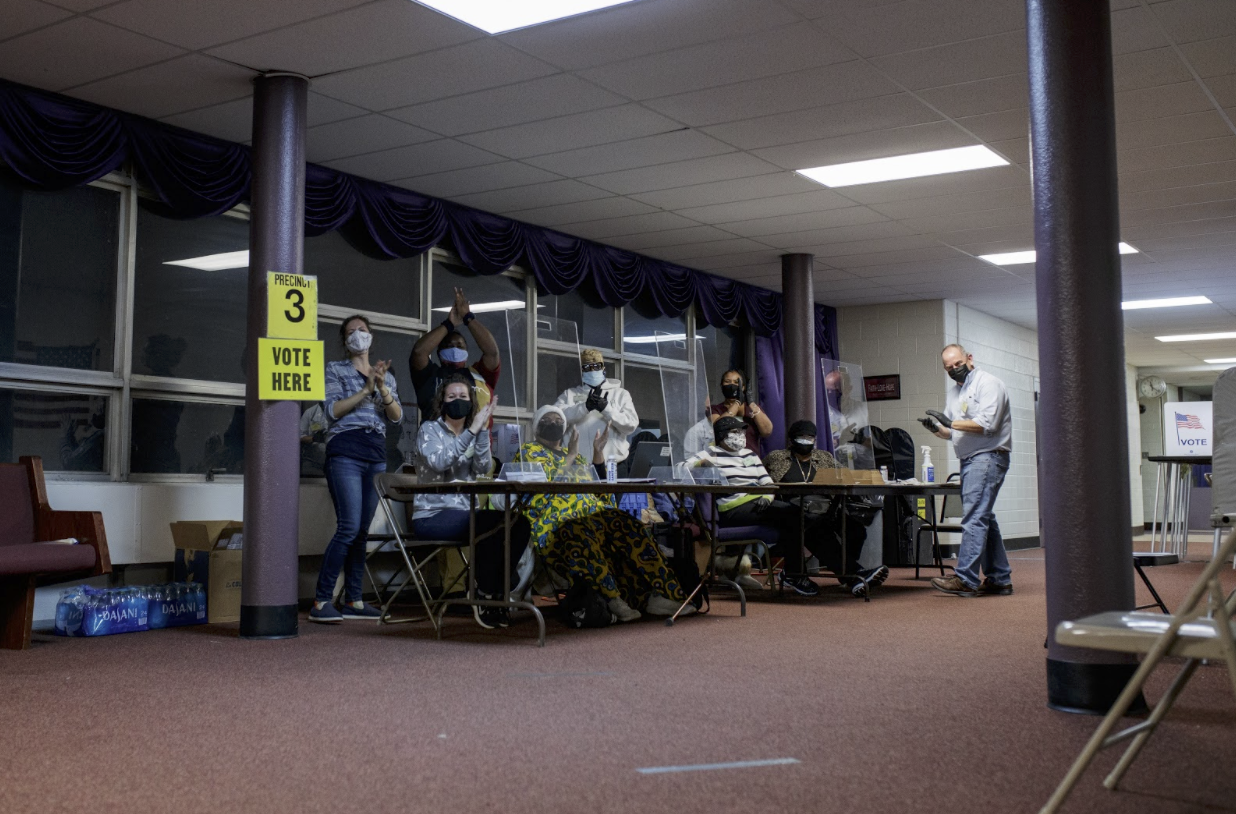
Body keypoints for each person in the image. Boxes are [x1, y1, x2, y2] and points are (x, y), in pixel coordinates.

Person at [513, 405, 687, 621]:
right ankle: (613, 600)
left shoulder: (577, 459)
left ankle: (661, 595)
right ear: (537, 427)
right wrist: (571, 456)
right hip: (557, 523)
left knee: (628, 523)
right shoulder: (529, 452)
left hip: (595, 517)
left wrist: (597, 455)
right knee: (582, 532)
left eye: (557, 420)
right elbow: (540, 490)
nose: (553, 423)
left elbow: (603, 497)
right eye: (546, 420)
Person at [413, 375, 530, 629]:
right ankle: (485, 592)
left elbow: (482, 468)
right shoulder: (429, 430)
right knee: (487, 524)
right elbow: (439, 462)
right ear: (441, 402)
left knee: (520, 523)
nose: (457, 401)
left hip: (467, 513)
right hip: (433, 515)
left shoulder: (475, 430)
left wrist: (482, 431)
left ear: (471, 402)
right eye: (451, 397)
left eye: (463, 397)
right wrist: (471, 431)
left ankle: (496, 589)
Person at [309, 315, 403, 624]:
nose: (357, 336)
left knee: (362, 530)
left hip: (375, 453)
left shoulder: (385, 376)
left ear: (371, 337)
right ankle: (321, 601)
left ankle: (355, 600)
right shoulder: (334, 370)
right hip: (345, 452)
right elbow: (333, 410)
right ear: (344, 340)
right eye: (351, 332)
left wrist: (381, 387)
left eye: (362, 330)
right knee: (348, 527)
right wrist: (365, 389)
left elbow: (396, 416)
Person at [685, 416, 828, 597]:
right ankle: (794, 573)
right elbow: (682, 467)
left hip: (760, 504)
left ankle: (794, 572)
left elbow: (767, 483)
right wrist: (701, 464)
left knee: (796, 516)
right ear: (722, 435)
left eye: (743, 432)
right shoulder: (710, 453)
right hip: (731, 509)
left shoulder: (750, 455)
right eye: (735, 432)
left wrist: (767, 498)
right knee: (794, 515)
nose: (741, 436)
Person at [919, 343, 1013, 598]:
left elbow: (988, 424)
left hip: (988, 456)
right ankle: (999, 578)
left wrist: (952, 423)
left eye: (957, 364)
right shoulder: (955, 392)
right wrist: (937, 428)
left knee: (973, 517)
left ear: (969, 358)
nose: (954, 370)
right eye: (948, 367)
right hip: (970, 459)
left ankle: (966, 579)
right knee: (984, 517)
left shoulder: (988, 383)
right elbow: (953, 431)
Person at [763, 419, 888, 595]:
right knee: (818, 533)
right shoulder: (777, 457)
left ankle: (849, 574)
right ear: (792, 439)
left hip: (825, 507)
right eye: (801, 437)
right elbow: (761, 479)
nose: (806, 441)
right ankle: (853, 576)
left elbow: (845, 475)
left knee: (855, 530)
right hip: (793, 510)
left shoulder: (824, 457)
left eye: (810, 437)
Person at [409, 286, 500, 422]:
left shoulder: (480, 375)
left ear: (466, 352)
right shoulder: (429, 375)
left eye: (460, 346)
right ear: (439, 352)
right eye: (449, 346)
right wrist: (449, 324)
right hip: (437, 440)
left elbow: (492, 353)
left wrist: (468, 318)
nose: (455, 349)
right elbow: (418, 352)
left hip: (476, 441)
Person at [554, 349, 639, 463]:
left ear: (603, 368)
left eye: (596, 366)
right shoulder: (569, 394)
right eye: (587, 367)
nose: (592, 370)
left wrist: (606, 409)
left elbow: (631, 426)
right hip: (577, 462)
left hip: (613, 463)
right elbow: (556, 419)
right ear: (582, 371)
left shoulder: (620, 394)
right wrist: (584, 407)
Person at [708, 369, 773, 454]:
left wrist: (751, 403)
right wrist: (737, 403)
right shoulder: (715, 409)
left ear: (743, 387)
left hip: (750, 462)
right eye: (727, 382)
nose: (732, 385)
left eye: (736, 382)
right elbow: (718, 428)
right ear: (721, 385)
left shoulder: (752, 409)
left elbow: (767, 431)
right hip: (725, 460)